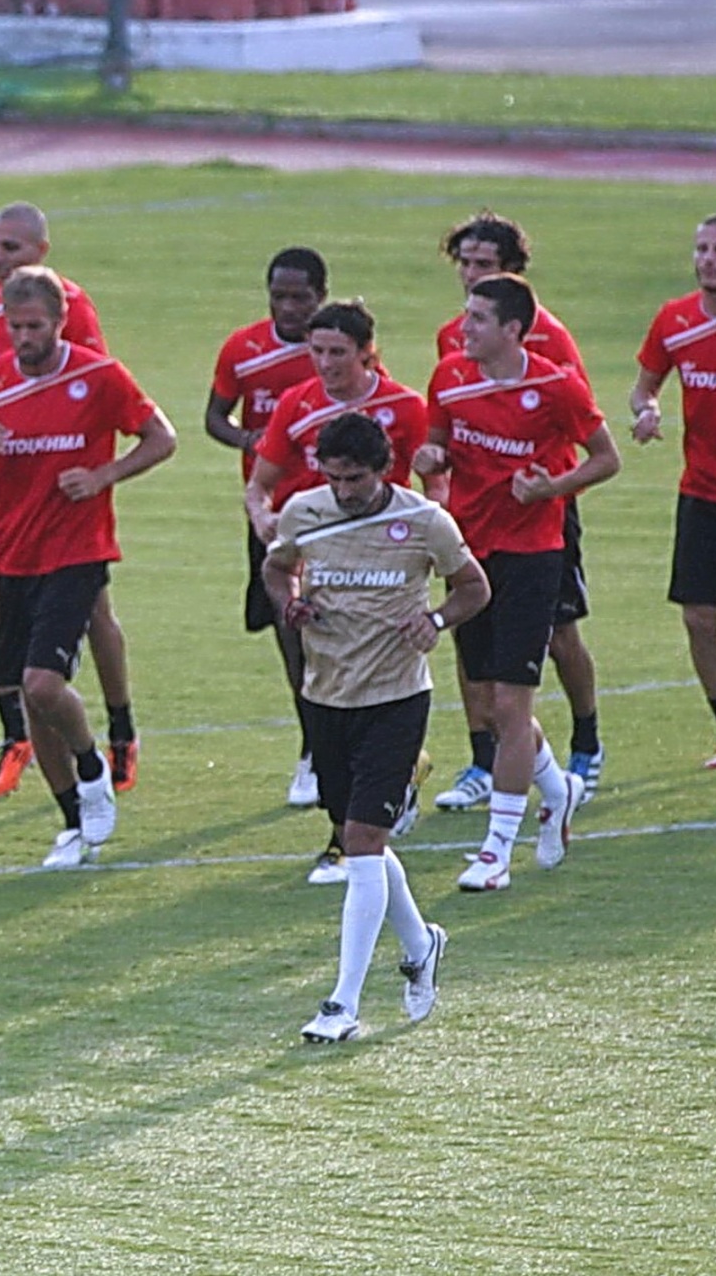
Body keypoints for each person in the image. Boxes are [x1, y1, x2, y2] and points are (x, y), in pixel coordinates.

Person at [0, 266, 177, 870]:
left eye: (34, 326)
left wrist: (103, 476)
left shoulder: (98, 376)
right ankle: (72, 821)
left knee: (42, 683)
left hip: (78, 551)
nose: (23, 338)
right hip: (13, 555)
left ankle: (94, 765)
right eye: (13, 326)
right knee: (31, 701)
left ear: (59, 322)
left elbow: (161, 438)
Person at [262, 411, 482, 1042]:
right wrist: (291, 600)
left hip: (396, 697)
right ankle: (422, 943)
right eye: (333, 478)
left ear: (384, 469)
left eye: (354, 479)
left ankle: (342, 1004)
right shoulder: (304, 513)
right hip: (326, 696)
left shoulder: (424, 523)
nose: (344, 491)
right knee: (361, 837)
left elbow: (474, 587)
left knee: (360, 839)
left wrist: (436, 622)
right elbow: (277, 569)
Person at [413, 273, 620, 892]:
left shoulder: (555, 387)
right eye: (465, 314)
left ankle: (497, 849)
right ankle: (557, 790)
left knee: (510, 704)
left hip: (532, 555)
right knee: (487, 706)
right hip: (469, 558)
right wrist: (431, 463)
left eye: (478, 318)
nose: (464, 326)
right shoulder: (449, 376)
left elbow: (606, 457)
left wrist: (552, 489)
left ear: (512, 330)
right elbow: (436, 447)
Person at [245, 300, 432, 881]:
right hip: (318, 569)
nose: (324, 364)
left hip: (385, 575)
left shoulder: (404, 408)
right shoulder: (296, 407)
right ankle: (394, 775)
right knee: (321, 684)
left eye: (337, 353)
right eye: (316, 352)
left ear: (366, 352)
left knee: (377, 691)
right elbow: (261, 484)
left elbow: (435, 480)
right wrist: (262, 519)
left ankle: (344, 839)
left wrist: (427, 542)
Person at [428, 212, 606, 810]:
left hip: (543, 512)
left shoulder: (548, 343)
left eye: (485, 265)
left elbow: (584, 428)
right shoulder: (453, 343)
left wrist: (550, 487)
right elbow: (451, 425)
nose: (471, 275)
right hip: (477, 519)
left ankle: (586, 741)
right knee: (472, 637)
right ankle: (487, 759)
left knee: (557, 632)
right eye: (466, 264)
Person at [0, 203, 141, 799]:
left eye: (11, 247)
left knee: (92, 610)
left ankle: (119, 730)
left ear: (41, 250)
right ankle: (17, 732)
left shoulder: (71, 305)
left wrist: (97, 473)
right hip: (4, 467)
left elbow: (90, 388)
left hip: (62, 479)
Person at [633, 213, 716, 769]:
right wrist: (648, 412)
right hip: (702, 492)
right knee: (698, 618)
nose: (708, 259)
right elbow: (643, 388)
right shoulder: (674, 319)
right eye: (701, 249)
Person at [206, 247, 327, 807]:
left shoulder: (333, 351)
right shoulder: (242, 349)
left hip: (334, 510)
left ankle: (337, 742)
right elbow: (215, 416)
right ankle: (313, 745)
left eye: (300, 296)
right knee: (290, 625)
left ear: (320, 296)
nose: (289, 306)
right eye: (279, 296)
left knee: (337, 626)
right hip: (271, 512)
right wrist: (247, 440)